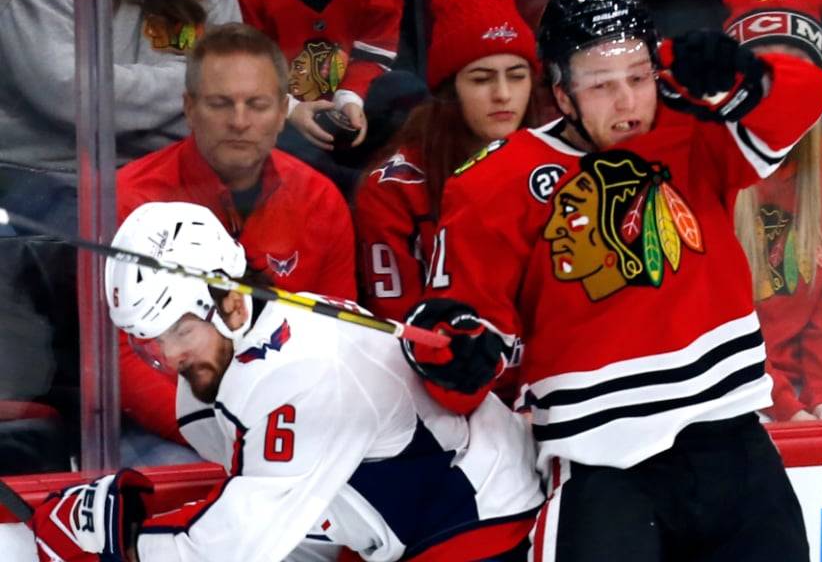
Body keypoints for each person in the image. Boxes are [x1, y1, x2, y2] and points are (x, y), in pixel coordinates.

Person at [402, 0, 822, 559]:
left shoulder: (693, 128)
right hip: (601, 468)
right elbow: (461, 341)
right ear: (561, 93)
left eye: (638, 77)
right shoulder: (492, 185)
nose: (627, 101)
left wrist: (733, 70)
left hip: (732, 444)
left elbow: (808, 96)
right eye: (602, 85)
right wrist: (456, 356)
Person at [28, 201, 545, 562]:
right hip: (404, 525)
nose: (169, 355)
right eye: (151, 341)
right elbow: (286, 521)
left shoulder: (301, 373)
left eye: (180, 331)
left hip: (482, 519)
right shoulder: (230, 359)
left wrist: (121, 545)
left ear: (231, 302)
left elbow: (236, 546)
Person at [117, 23, 357, 464]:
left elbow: (340, 339)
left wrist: (285, 432)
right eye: (220, 103)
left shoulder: (320, 200)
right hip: (175, 431)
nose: (240, 121)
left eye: (257, 104)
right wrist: (226, 435)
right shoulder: (130, 200)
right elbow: (120, 358)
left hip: (292, 424)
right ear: (189, 108)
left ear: (283, 111)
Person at [722, 0, 822, 421]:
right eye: (764, 67)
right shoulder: (702, 161)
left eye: (797, 67)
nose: (780, 86)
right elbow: (706, 322)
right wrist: (788, 410)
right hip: (717, 389)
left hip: (805, 393)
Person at [355, 0, 538, 324]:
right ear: (449, 90)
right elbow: (398, 325)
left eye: (517, 76)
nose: (503, 94)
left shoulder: (555, 165)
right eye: (481, 79)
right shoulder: (393, 189)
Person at [0, 0, 240, 232]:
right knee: (113, 244)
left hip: (174, 170)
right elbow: (75, 98)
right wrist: (203, 83)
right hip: (53, 176)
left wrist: (122, 111)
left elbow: (237, 94)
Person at [237, 0, 420, 193]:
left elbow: (377, 42)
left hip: (351, 97)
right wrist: (289, 108)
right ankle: (363, 188)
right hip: (276, 109)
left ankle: (388, 180)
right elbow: (242, 66)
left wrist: (350, 96)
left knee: (405, 90)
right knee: (276, 146)